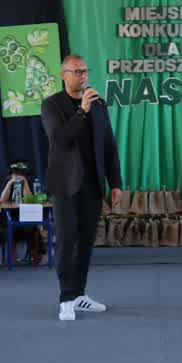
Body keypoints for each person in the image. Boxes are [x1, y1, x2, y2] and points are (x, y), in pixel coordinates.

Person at [42, 53, 124, 322]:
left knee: (87, 241)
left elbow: (109, 146)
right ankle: (66, 298)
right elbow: (60, 139)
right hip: (65, 184)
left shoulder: (98, 104)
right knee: (67, 240)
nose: (83, 76)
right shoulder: (52, 105)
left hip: (92, 183)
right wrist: (82, 111)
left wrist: (116, 183)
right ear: (63, 75)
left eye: (85, 71)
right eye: (77, 72)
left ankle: (79, 293)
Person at [0, 160, 44, 266]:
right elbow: (2, 200)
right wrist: (10, 183)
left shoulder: (29, 183)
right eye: (15, 174)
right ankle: (14, 254)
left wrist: (25, 183)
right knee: (12, 227)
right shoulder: (8, 183)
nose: (17, 176)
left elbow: (29, 200)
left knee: (31, 226)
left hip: (26, 216)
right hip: (11, 216)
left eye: (20, 174)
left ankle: (34, 253)